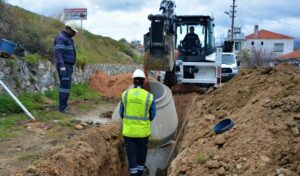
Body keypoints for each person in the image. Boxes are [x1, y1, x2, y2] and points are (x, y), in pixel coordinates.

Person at [119, 69, 156, 176]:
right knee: (141, 156)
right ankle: (140, 173)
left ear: (133, 81)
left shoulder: (125, 95)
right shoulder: (149, 96)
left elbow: (121, 113)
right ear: (144, 81)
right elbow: (152, 114)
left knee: (131, 157)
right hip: (143, 133)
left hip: (129, 132)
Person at [54, 21, 79, 114]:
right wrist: (62, 66)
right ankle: (62, 108)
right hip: (64, 66)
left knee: (66, 86)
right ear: (69, 29)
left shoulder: (67, 38)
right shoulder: (61, 38)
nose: (75, 33)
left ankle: (64, 106)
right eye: (74, 31)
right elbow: (58, 52)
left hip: (68, 66)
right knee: (64, 87)